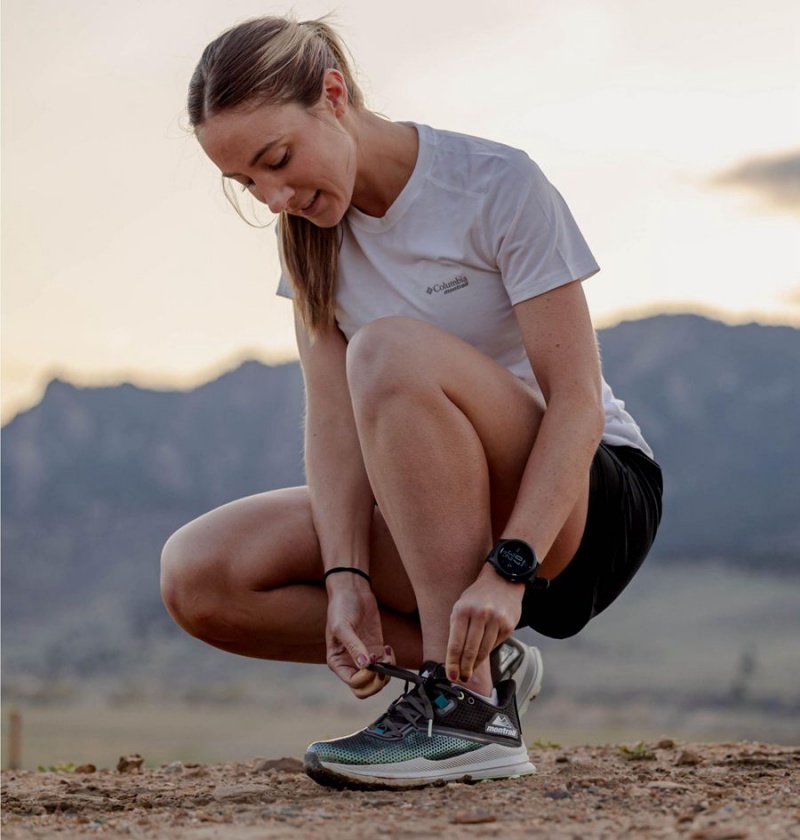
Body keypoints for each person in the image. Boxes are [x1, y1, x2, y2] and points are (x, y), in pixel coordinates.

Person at [161, 15, 663, 790]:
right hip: (440, 512)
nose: (273, 198)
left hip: (579, 503)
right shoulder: (307, 237)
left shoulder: (495, 185)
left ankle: (467, 713)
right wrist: (345, 581)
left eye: (277, 161)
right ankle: (476, 674)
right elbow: (332, 427)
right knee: (200, 574)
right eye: (247, 184)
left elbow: (575, 404)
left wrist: (510, 566)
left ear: (333, 94)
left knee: (390, 350)